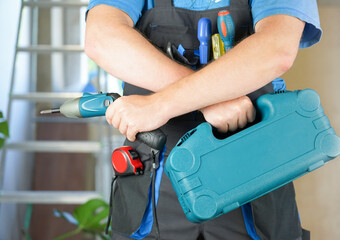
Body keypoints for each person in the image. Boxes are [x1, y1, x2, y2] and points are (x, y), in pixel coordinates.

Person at [85, 0, 322, 239]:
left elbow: (275, 49)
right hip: (153, 179)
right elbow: (101, 38)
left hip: (254, 174)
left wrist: (162, 103)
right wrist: (211, 100)